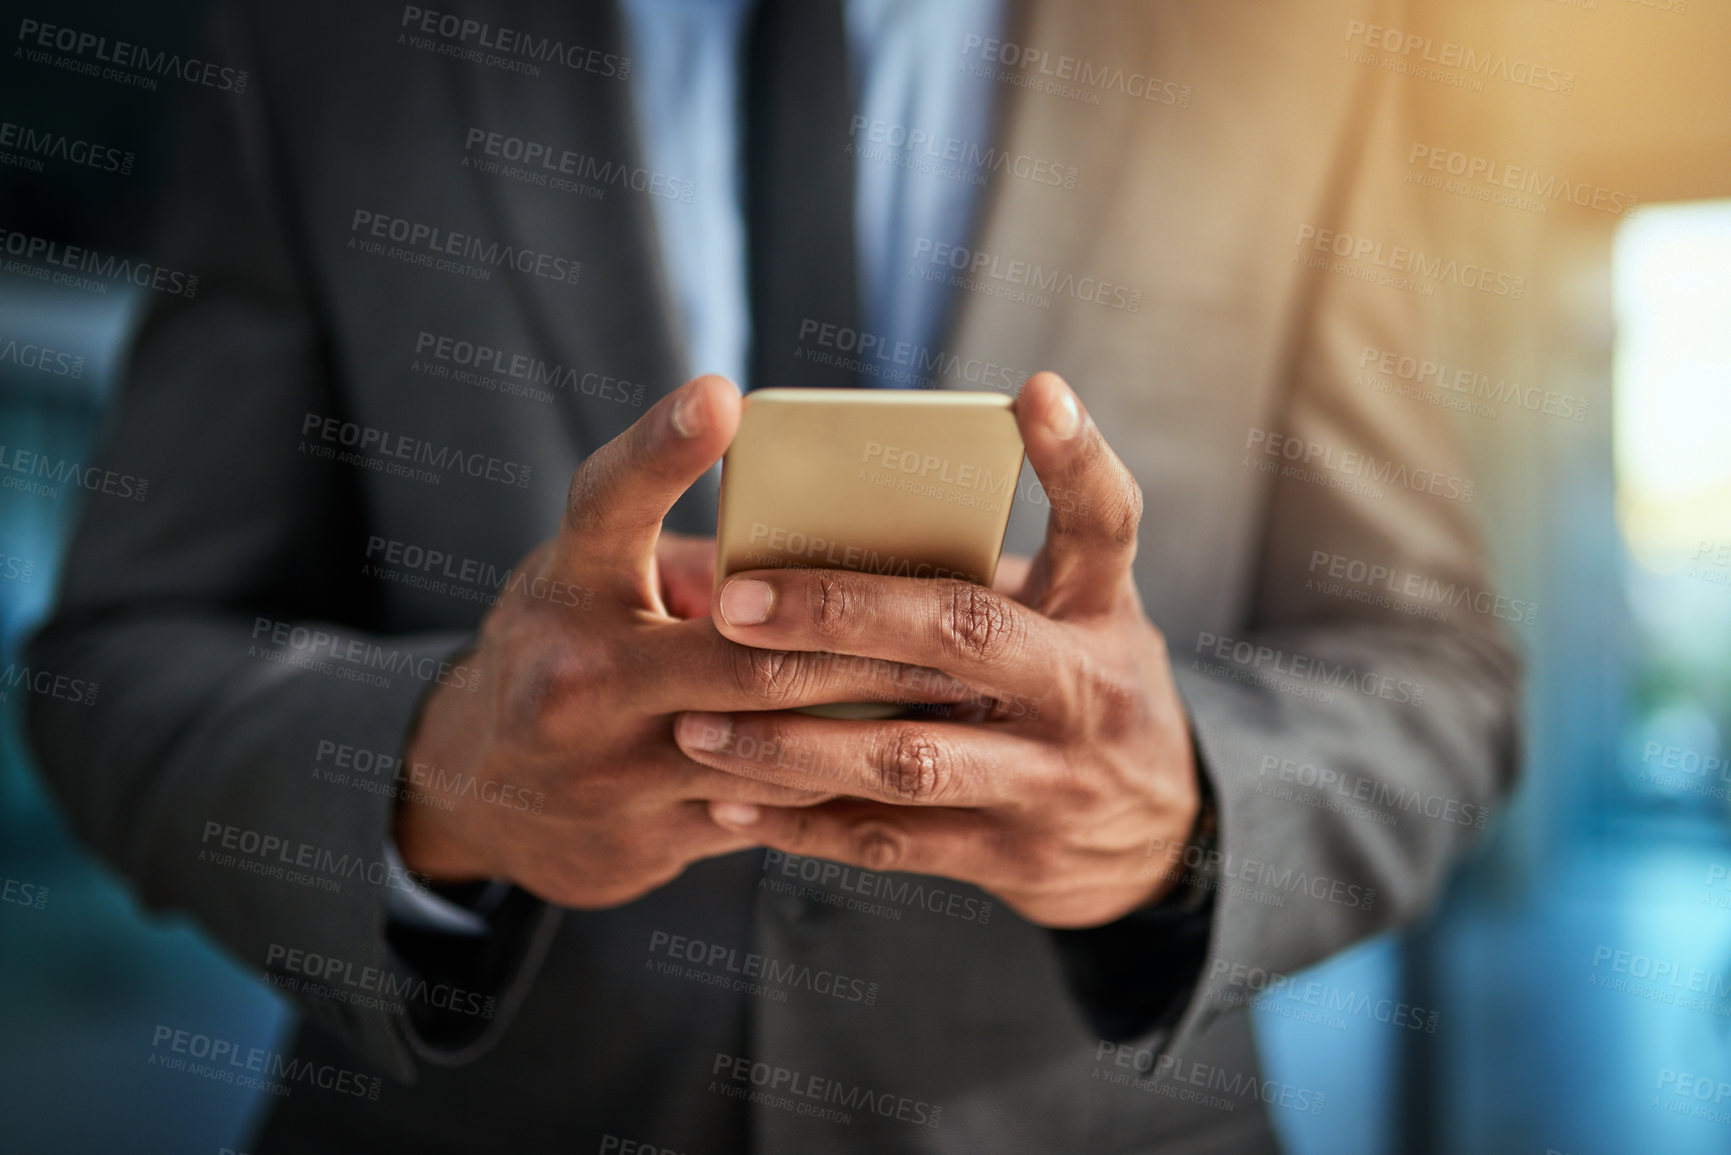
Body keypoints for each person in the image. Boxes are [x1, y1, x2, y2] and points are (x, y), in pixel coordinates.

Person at [26, 1, 1519, 1150]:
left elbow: (1436, 675)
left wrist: (1187, 812)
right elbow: (117, 658)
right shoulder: (332, 37)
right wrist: (440, 779)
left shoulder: (1284, 47)